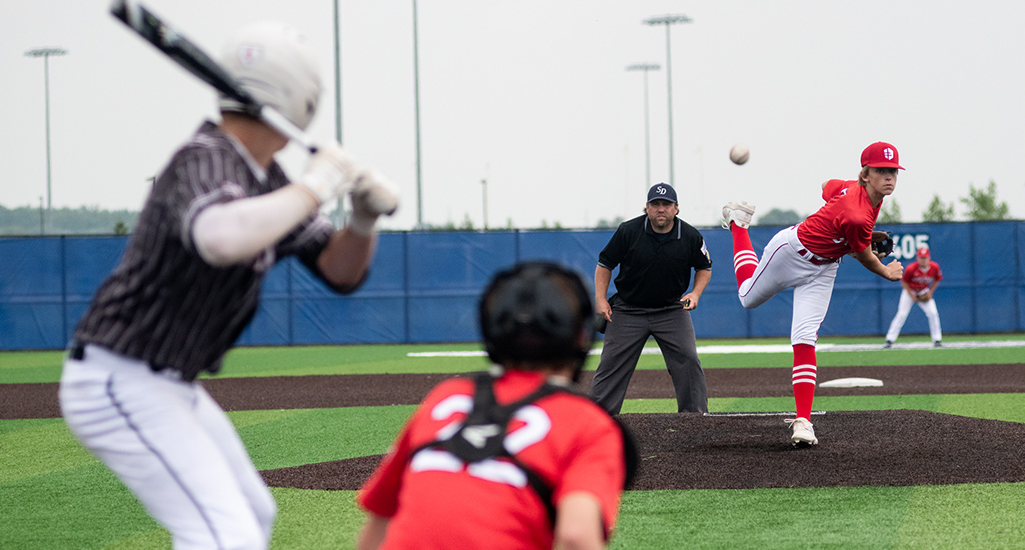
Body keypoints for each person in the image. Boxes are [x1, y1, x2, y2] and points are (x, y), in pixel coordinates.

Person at [58, 22, 398, 550]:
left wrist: (361, 220)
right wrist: (317, 185)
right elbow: (217, 237)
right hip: (118, 379)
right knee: (223, 535)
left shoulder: (267, 179)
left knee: (251, 515)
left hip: (170, 385)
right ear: (297, 100)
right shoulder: (204, 156)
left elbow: (339, 272)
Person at [357, 262, 630, 550]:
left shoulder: (447, 396)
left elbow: (379, 524)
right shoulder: (587, 421)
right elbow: (576, 537)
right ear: (580, 337)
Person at [720, 142, 905, 447]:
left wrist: (848, 231)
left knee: (805, 338)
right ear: (865, 174)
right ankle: (739, 226)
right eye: (881, 171)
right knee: (747, 297)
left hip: (824, 267)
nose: (889, 177)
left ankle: (803, 421)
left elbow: (826, 187)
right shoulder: (857, 213)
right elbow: (863, 255)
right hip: (792, 252)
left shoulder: (857, 191)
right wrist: (887, 271)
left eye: (893, 171)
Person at [589, 183, 712, 415]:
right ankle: (597, 418)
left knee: (688, 359)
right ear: (646, 208)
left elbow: (704, 267)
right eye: (655, 204)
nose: (661, 209)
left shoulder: (690, 236)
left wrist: (695, 293)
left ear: (676, 208)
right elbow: (605, 263)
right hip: (628, 310)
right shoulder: (629, 231)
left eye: (666, 204)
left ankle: (695, 417)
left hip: (671, 310)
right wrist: (600, 298)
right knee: (611, 364)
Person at [884, 246, 944, 348]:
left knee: (933, 314)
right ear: (917, 258)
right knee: (902, 314)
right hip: (909, 292)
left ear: (929, 258)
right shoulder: (911, 268)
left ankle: (937, 339)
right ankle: (890, 339)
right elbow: (904, 281)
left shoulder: (934, 267)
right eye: (921, 258)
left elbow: (937, 279)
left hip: (923, 292)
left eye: (925, 258)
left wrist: (930, 292)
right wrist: (912, 296)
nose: (923, 260)